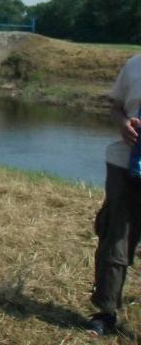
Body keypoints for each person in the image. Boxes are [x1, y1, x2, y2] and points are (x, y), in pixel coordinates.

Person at [86, 54, 141, 336]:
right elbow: (117, 107)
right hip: (124, 165)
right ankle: (105, 312)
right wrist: (123, 123)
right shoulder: (134, 64)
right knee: (115, 236)